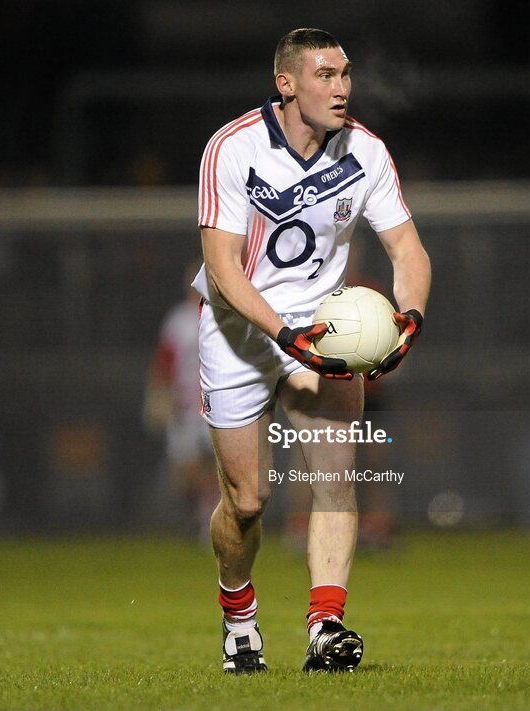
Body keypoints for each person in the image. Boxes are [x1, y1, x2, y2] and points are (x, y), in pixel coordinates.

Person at [193, 28, 431, 674]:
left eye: (346, 73)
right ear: (287, 84)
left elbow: (408, 251)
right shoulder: (233, 149)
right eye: (325, 75)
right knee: (248, 499)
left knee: (334, 479)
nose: (342, 87)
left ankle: (326, 626)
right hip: (241, 329)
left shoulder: (367, 153)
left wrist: (408, 317)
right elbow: (222, 269)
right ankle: (238, 612)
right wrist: (280, 331)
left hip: (321, 327)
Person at [143, 262, 218, 540]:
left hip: (217, 403)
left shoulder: (225, 315)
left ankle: (211, 519)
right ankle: (203, 512)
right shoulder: (178, 320)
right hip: (184, 407)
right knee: (183, 471)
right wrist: (158, 399)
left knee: (217, 465)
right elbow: (163, 364)